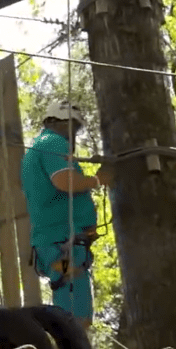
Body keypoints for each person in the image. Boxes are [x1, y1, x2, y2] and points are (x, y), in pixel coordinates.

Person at [21, 101, 113, 330]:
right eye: (74, 128)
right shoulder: (52, 142)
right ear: (58, 122)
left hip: (57, 241)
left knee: (68, 301)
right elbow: (65, 181)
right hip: (62, 243)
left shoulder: (36, 151)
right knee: (75, 314)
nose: (74, 136)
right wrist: (98, 180)